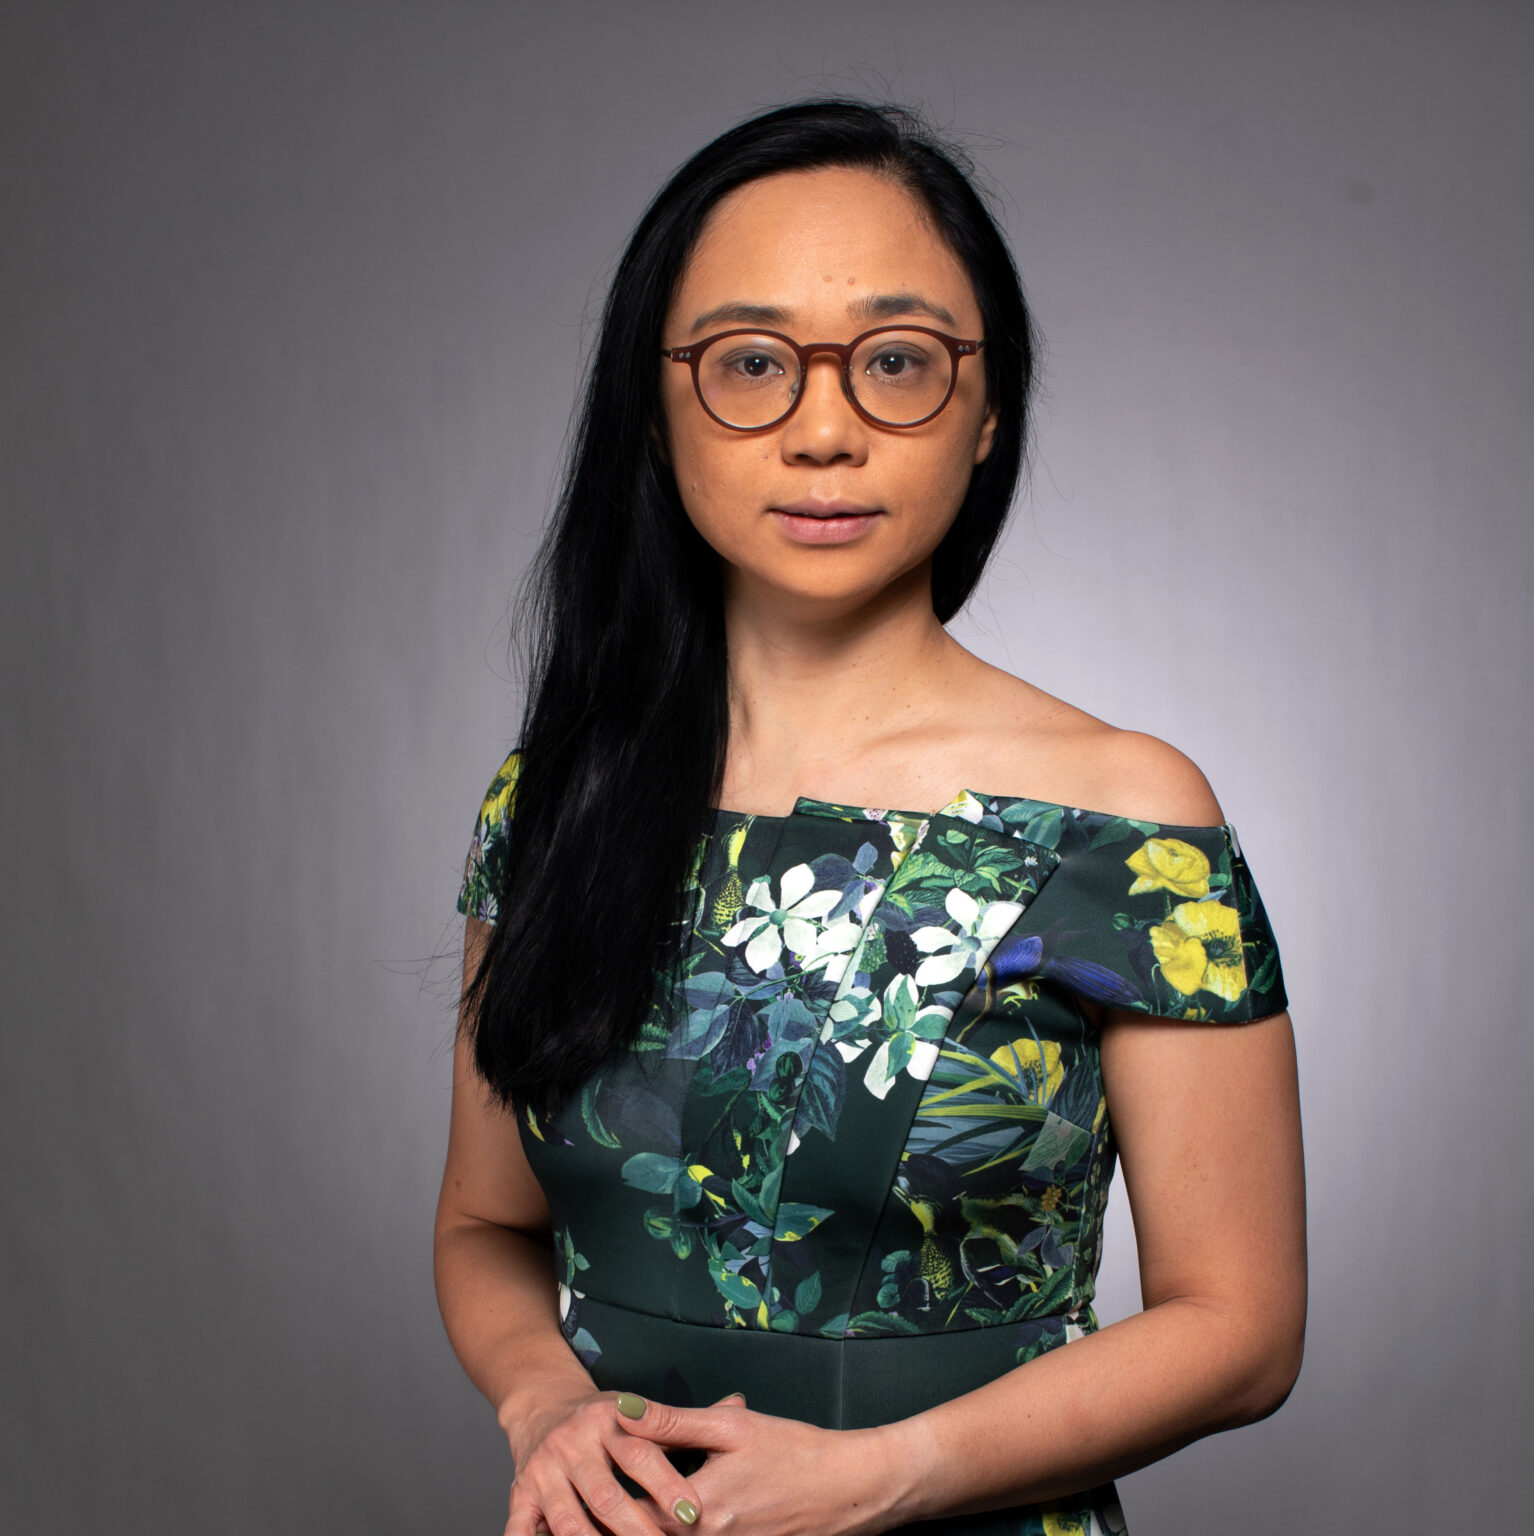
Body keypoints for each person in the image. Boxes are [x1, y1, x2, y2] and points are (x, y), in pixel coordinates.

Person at [434, 99, 1306, 1536]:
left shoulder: (1126, 820)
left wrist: (881, 1477)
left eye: (896, 360)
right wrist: (545, 1407)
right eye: (751, 363)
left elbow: (1244, 1328)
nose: (825, 431)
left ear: (989, 407)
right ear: (655, 407)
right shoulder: (557, 800)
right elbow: (484, 1225)